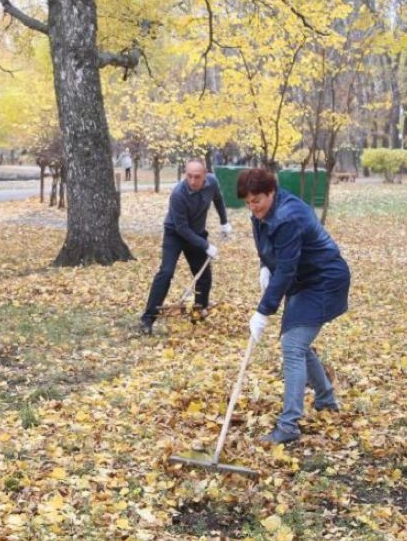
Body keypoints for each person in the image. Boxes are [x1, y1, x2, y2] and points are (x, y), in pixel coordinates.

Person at [238, 168, 350, 445]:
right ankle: (325, 399)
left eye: (258, 200)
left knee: (292, 346)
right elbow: (266, 248)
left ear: (271, 192)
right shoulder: (262, 213)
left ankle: (288, 426)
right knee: (296, 343)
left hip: (323, 280)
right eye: (248, 202)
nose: (253, 208)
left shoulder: (289, 216)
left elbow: (286, 270)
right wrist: (265, 266)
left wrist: (264, 310)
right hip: (302, 281)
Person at [139, 159, 231, 333]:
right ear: (185, 174)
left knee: (204, 275)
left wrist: (224, 223)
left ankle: (198, 312)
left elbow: (218, 199)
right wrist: (206, 245)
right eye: (189, 176)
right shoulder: (178, 194)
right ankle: (147, 319)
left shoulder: (212, 182)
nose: (193, 181)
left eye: (197, 177)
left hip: (196, 233)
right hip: (175, 234)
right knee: (165, 273)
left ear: (205, 175)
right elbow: (182, 228)